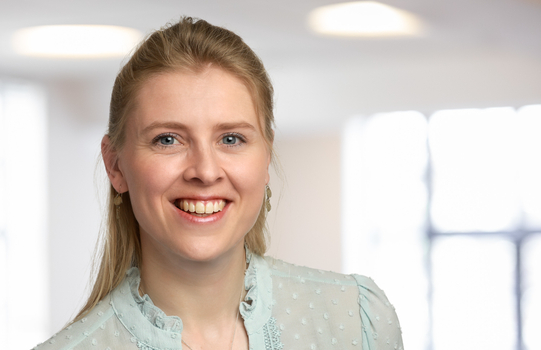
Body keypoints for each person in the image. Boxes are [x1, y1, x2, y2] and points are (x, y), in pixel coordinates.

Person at [33, 17, 403, 350]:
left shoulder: (357, 322)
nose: (205, 172)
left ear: (267, 157)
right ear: (115, 165)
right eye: (168, 139)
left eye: (230, 139)